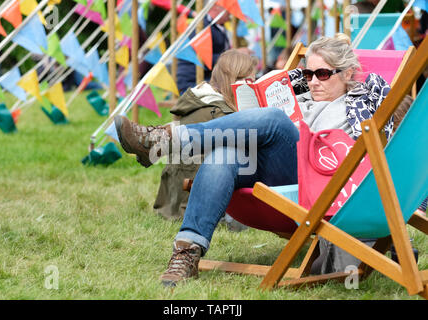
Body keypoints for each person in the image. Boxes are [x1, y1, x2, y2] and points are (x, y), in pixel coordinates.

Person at [115, 34, 395, 287]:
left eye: (322, 74)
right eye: (308, 74)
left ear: (347, 73)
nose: (313, 82)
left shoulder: (360, 105)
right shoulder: (304, 96)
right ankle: (187, 252)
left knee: (273, 121)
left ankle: (163, 140)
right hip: (283, 171)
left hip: (319, 178)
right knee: (225, 155)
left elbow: (360, 159)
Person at [153, 49, 258, 221]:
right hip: (191, 207)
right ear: (235, 80)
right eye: (250, 83)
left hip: (174, 200)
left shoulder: (203, 98)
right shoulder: (217, 111)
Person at [176, 3, 231, 94]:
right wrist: (232, 56)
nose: (230, 12)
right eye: (227, 8)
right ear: (215, 8)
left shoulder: (216, 26)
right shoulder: (201, 26)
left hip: (206, 80)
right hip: (193, 83)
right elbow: (204, 59)